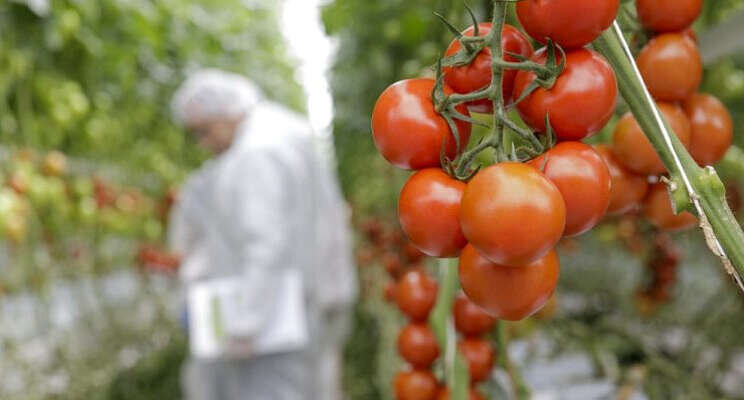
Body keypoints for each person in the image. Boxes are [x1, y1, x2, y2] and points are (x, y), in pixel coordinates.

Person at [169, 69, 357, 400]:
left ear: (226, 114)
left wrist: (245, 322)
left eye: (204, 131)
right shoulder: (284, 133)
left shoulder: (254, 154)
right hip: (311, 297)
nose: (204, 144)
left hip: (279, 319)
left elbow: (266, 245)